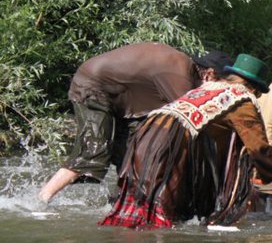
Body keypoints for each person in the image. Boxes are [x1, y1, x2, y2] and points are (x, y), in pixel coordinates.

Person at [100, 54, 272, 229]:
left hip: (146, 134)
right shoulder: (242, 99)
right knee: (161, 220)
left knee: (139, 211)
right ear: (253, 87)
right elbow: (260, 150)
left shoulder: (208, 88)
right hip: (169, 144)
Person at [39, 43, 232, 203]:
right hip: (92, 87)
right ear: (210, 74)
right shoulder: (178, 74)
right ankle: (43, 199)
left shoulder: (184, 69)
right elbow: (192, 122)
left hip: (119, 96)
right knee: (93, 152)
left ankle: (120, 203)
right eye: (222, 85)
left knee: (132, 153)